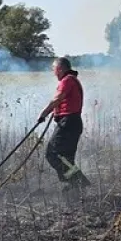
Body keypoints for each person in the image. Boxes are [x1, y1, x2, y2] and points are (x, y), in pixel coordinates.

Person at [37, 56, 90, 190]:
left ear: (59, 69)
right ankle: (75, 188)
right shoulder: (72, 80)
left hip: (68, 123)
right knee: (66, 158)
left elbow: (57, 99)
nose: (53, 72)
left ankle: (78, 181)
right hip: (73, 123)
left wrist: (44, 114)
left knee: (52, 153)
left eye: (54, 69)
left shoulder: (67, 81)